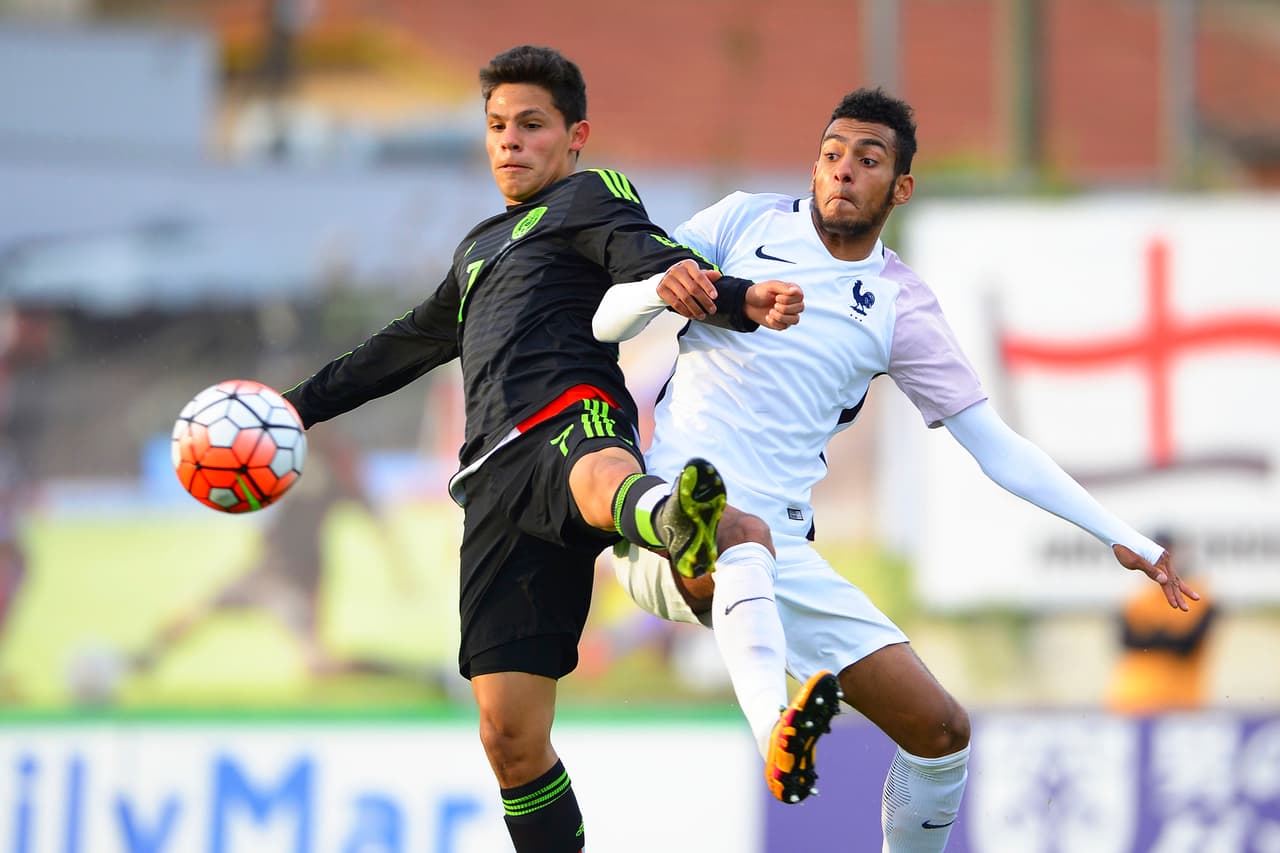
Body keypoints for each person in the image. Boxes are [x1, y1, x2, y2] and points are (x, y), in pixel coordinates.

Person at [595, 88, 1200, 852]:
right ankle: (773, 727)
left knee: (941, 732)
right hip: (668, 515)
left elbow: (995, 444)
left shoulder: (897, 304)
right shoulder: (742, 222)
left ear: (901, 187)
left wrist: (1126, 538)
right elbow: (607, 314)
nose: (843, 170)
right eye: (831, 154)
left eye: (867, 159)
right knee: (728, 539)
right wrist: (655, 289)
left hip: (782, 552)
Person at [279, 45, 800, 853]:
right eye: (497, 126)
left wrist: (734, 297)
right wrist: (297, 407)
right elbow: (402, 345)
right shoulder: (475, 249)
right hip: (491, 484)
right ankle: (674, 528)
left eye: (531, 125)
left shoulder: (590, 196)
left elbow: (649, 256)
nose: (510, 142)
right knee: (509, 735)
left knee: (597, 477)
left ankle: (672, 517)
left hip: (568, 413)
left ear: (575, 135)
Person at [1108, 528, 1216, 714]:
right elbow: (1126, 640)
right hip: (1132, 699)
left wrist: (1154, 635)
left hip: (1180, 701)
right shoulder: (1138, 598)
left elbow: (1186, 644)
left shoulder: (1200, 597)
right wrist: (1167, 635)